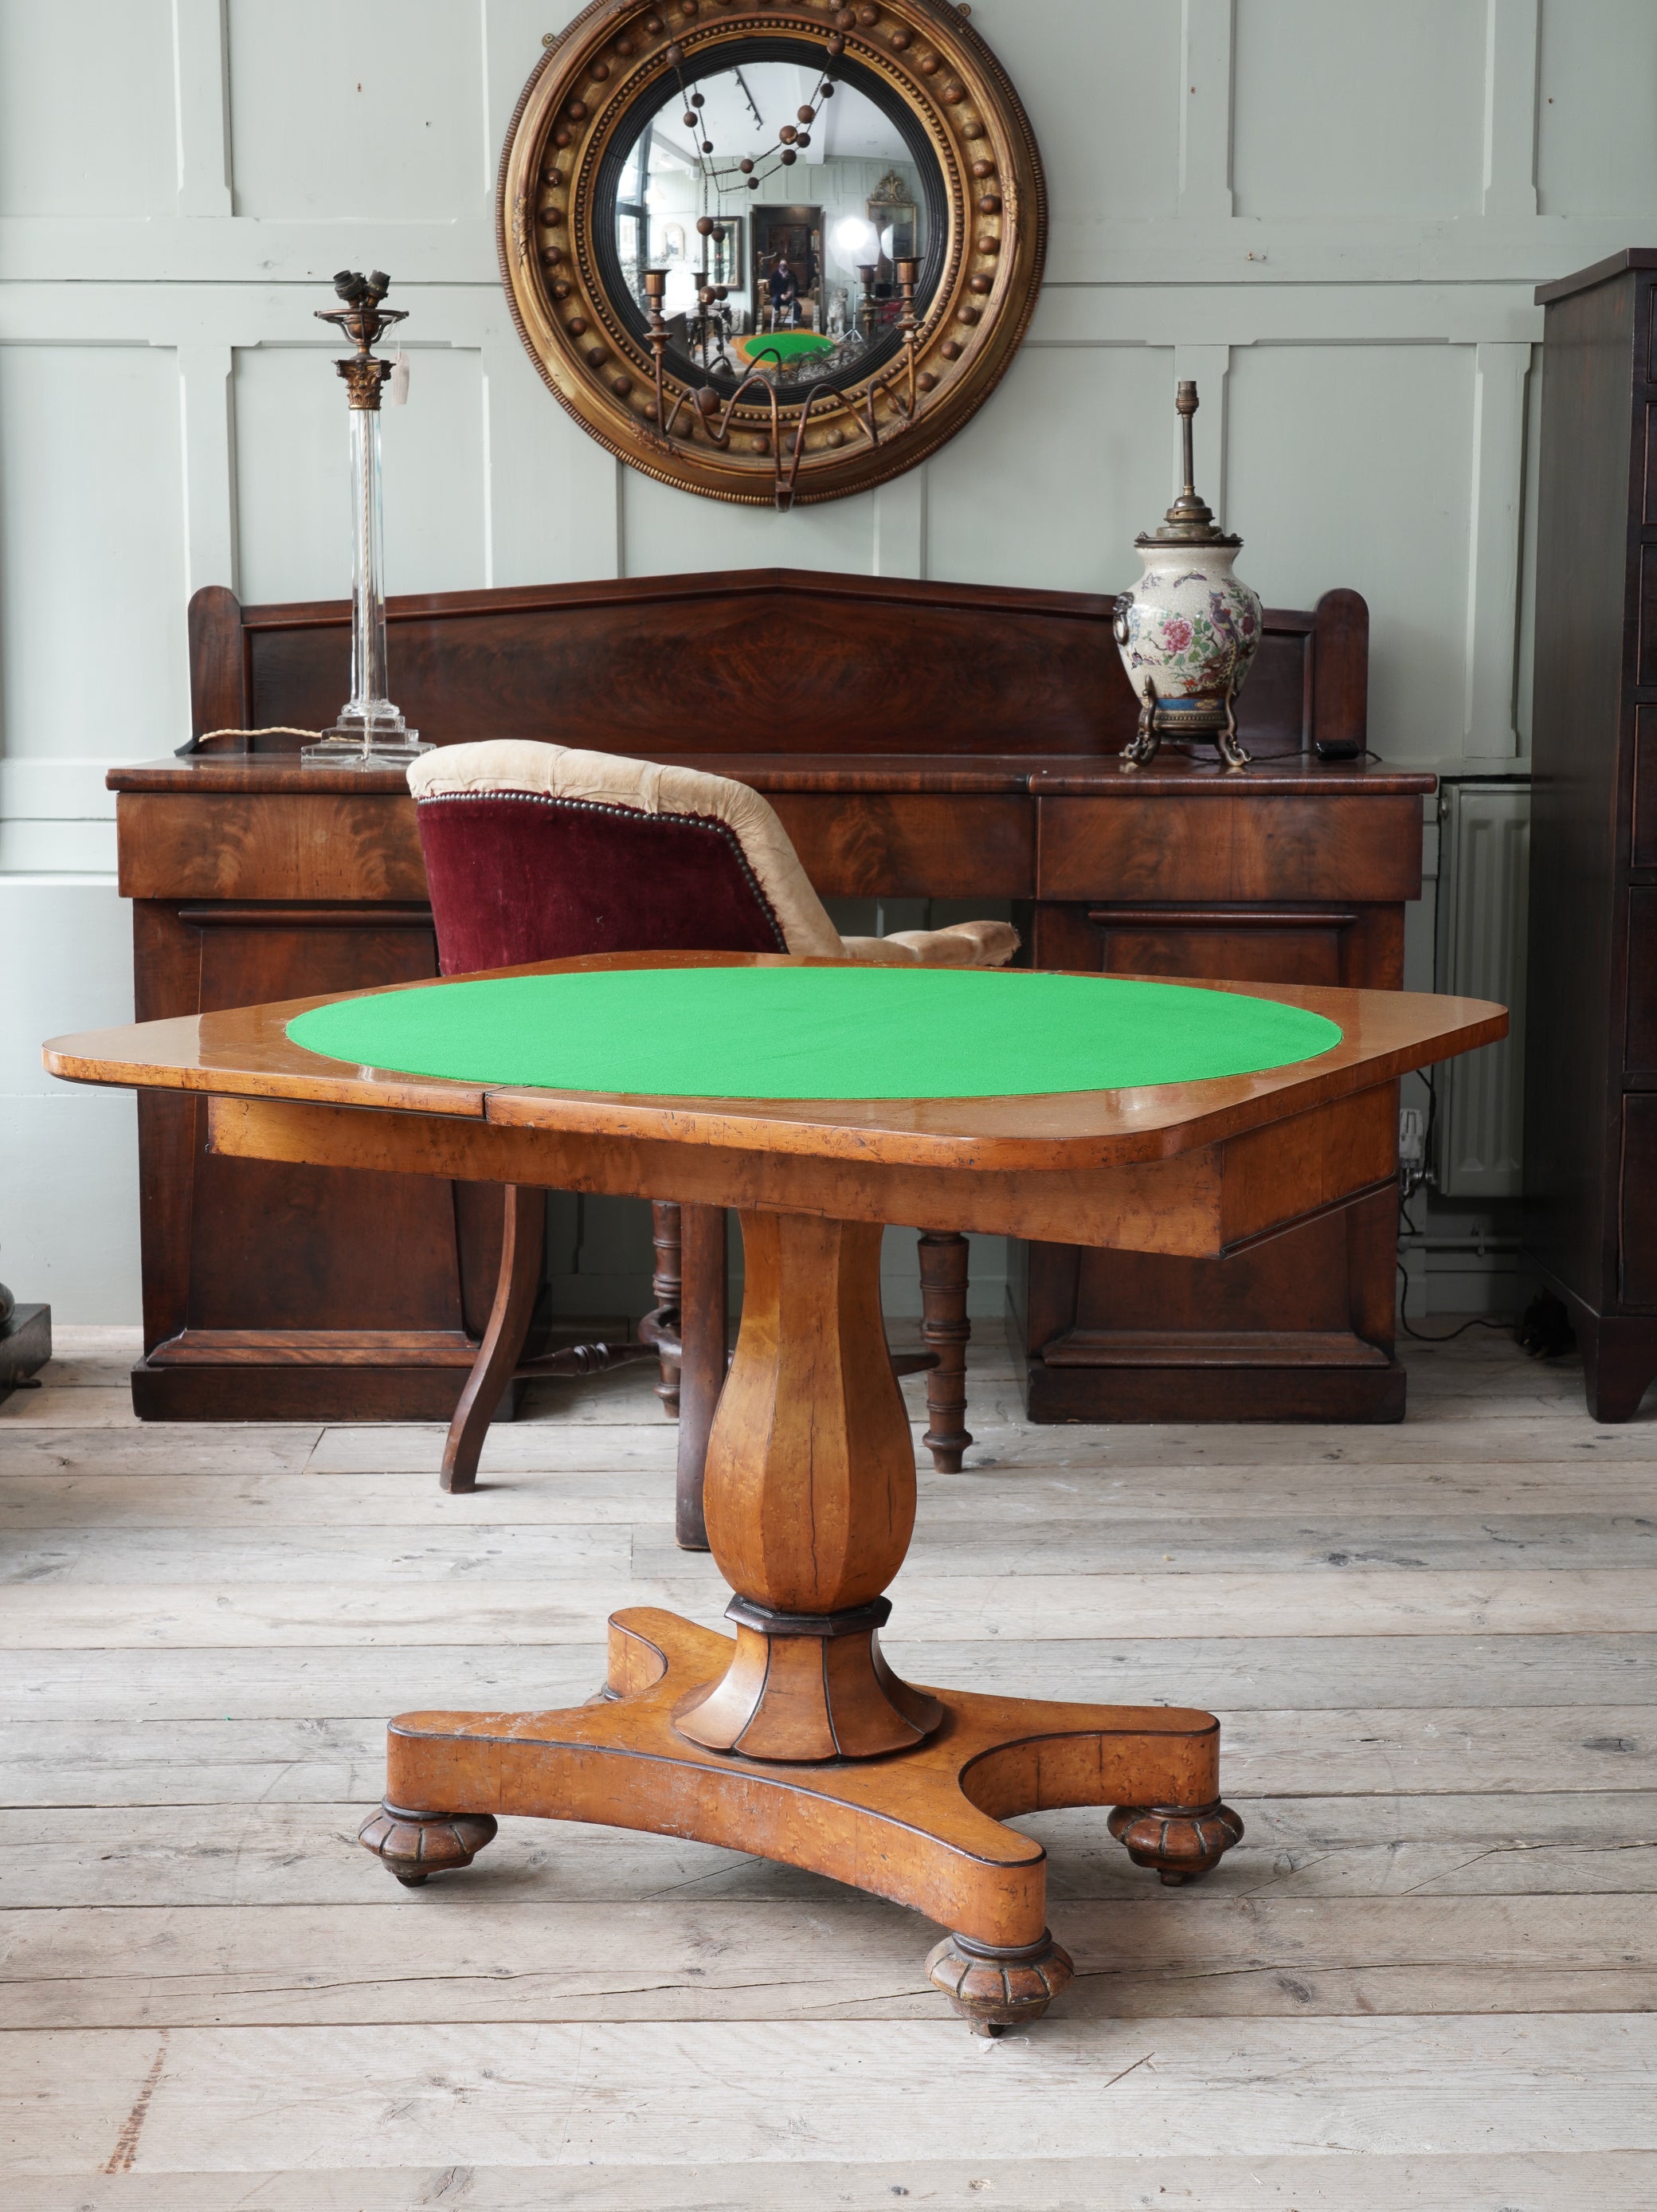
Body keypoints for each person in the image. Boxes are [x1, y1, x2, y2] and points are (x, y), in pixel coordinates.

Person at [768, 257, 801, 329]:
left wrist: (790, 293)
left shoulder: (792, 274)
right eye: (781, 265)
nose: (783, 267)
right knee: (774, 300)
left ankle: (794, 323)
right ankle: (777, 312)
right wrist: (780, 295)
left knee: (798, 307)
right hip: (778, 297)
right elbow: (772, 288)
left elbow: (796, 286)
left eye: (784, 265)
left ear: (788, 265)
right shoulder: (775, 274)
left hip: (789, 298)